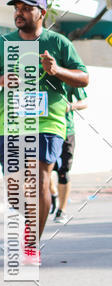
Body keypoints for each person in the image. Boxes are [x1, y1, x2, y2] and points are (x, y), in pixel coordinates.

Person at [0, 0, 88, 262]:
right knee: (15, 193)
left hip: (48, 122)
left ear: (42, 13)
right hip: (12, 123)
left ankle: (31, 245)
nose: (19, 12)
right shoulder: (3, 43)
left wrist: (56, 71)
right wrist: (1, 80)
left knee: (39, 180)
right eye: (17, 8)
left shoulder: (59, 43)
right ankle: (33, 216)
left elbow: (83, 78)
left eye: (26, 8)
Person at [50, 87, 88, 224]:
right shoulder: (38, 74)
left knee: (63, 172)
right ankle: (53, 193)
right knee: (43, 170)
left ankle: (61, 210)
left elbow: (84, 102)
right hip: (44, 129)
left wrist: (69, 106)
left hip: (66, 130)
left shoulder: (68, 73)